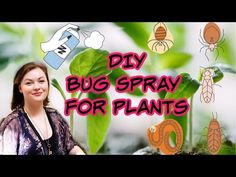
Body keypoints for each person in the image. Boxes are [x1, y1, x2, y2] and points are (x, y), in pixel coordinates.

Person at [0, 62, 87, 155]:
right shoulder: (12, 124)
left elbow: (69, 145)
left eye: (41, 81)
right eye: (29, 83)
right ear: (20, 88)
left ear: (48, 84)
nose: (37, 87)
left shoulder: (55, 116)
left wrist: (79, 153)